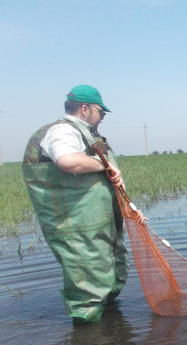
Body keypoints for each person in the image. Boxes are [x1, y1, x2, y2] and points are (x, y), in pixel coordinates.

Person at [23, 85, 145, 323]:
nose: (103, 117)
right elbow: (68, 161)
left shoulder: (87, 134)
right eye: (101, 112)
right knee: (88, 286)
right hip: (77, 227)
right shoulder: (62, 131)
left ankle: (111, 331)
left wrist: (130, 207)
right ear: (86, 108)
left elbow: (109, 182)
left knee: (109, 272)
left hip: (98, 223)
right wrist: (105, 165)